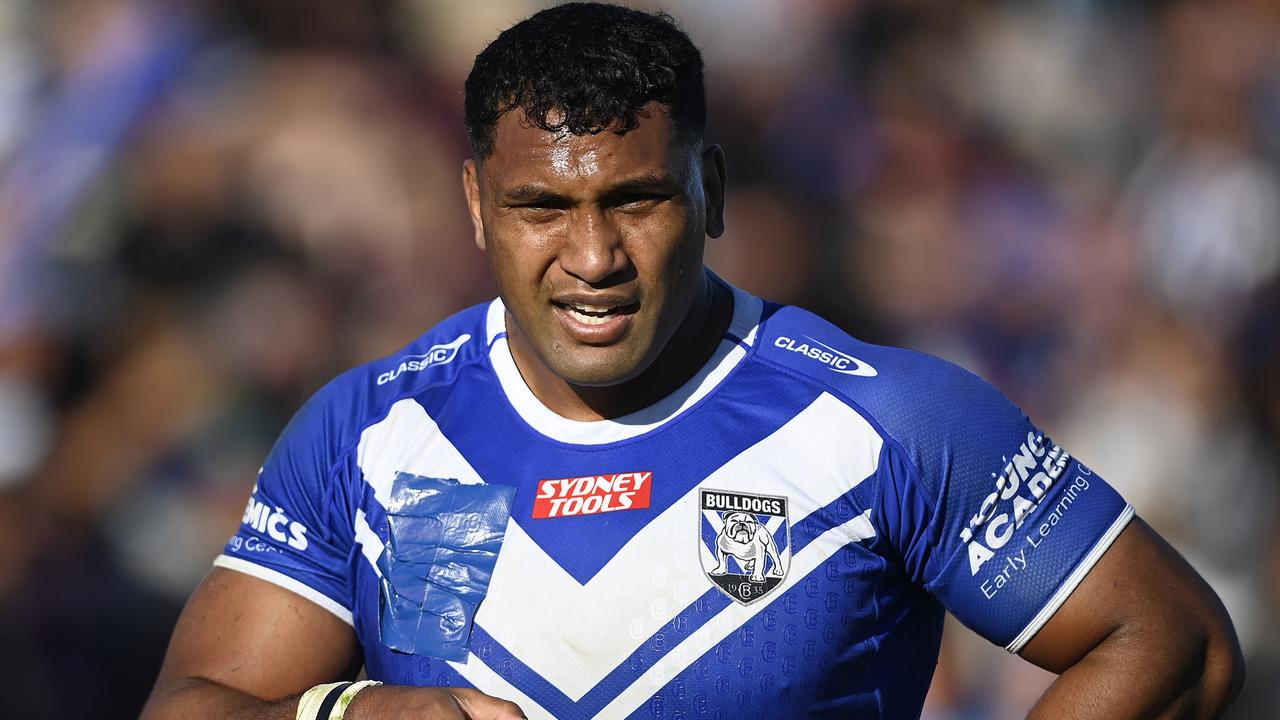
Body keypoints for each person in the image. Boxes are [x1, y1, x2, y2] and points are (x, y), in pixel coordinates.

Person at [141, 3, 1244, 719]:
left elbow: (1167, 642)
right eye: (539, 207)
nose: (590, 257)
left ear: (708, 188)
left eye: (635, 199)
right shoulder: (369, 434)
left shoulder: (885, 419)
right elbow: (196, 701)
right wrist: (348, 713)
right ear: (476, 205)